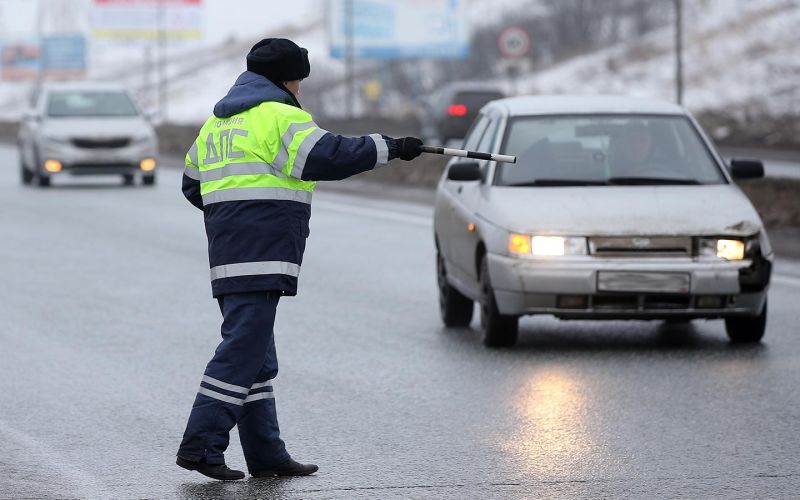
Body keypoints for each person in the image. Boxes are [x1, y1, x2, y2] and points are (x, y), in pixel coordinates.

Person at [176, 38, 423, 481]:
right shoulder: (280, 115)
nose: (300, 88)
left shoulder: (218, 123)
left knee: (255, 354)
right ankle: (201, 445)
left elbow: (193, 184)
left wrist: (230, 214)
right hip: (263, 247)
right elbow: (327, 155)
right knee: (242, 350)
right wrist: (391, 146)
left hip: (229, 249)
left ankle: (267, 455)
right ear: (289, 79)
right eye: (299, 80)